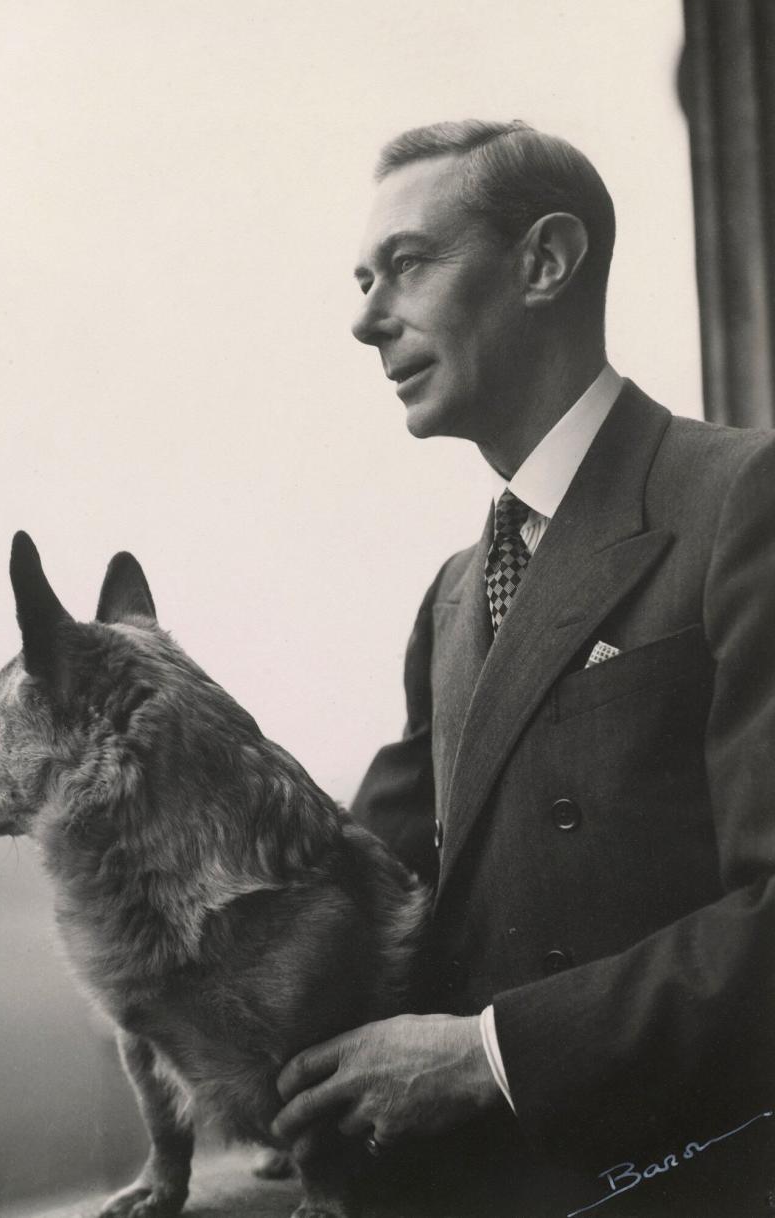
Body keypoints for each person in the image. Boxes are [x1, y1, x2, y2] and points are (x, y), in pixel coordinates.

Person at [271, 120, 775, 1217]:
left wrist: (490, 1057)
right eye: (362, 280)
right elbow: (360, 899)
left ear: (545, 263)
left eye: (405, 265)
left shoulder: (742, 501)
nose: (364, 320)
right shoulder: (454, 598)